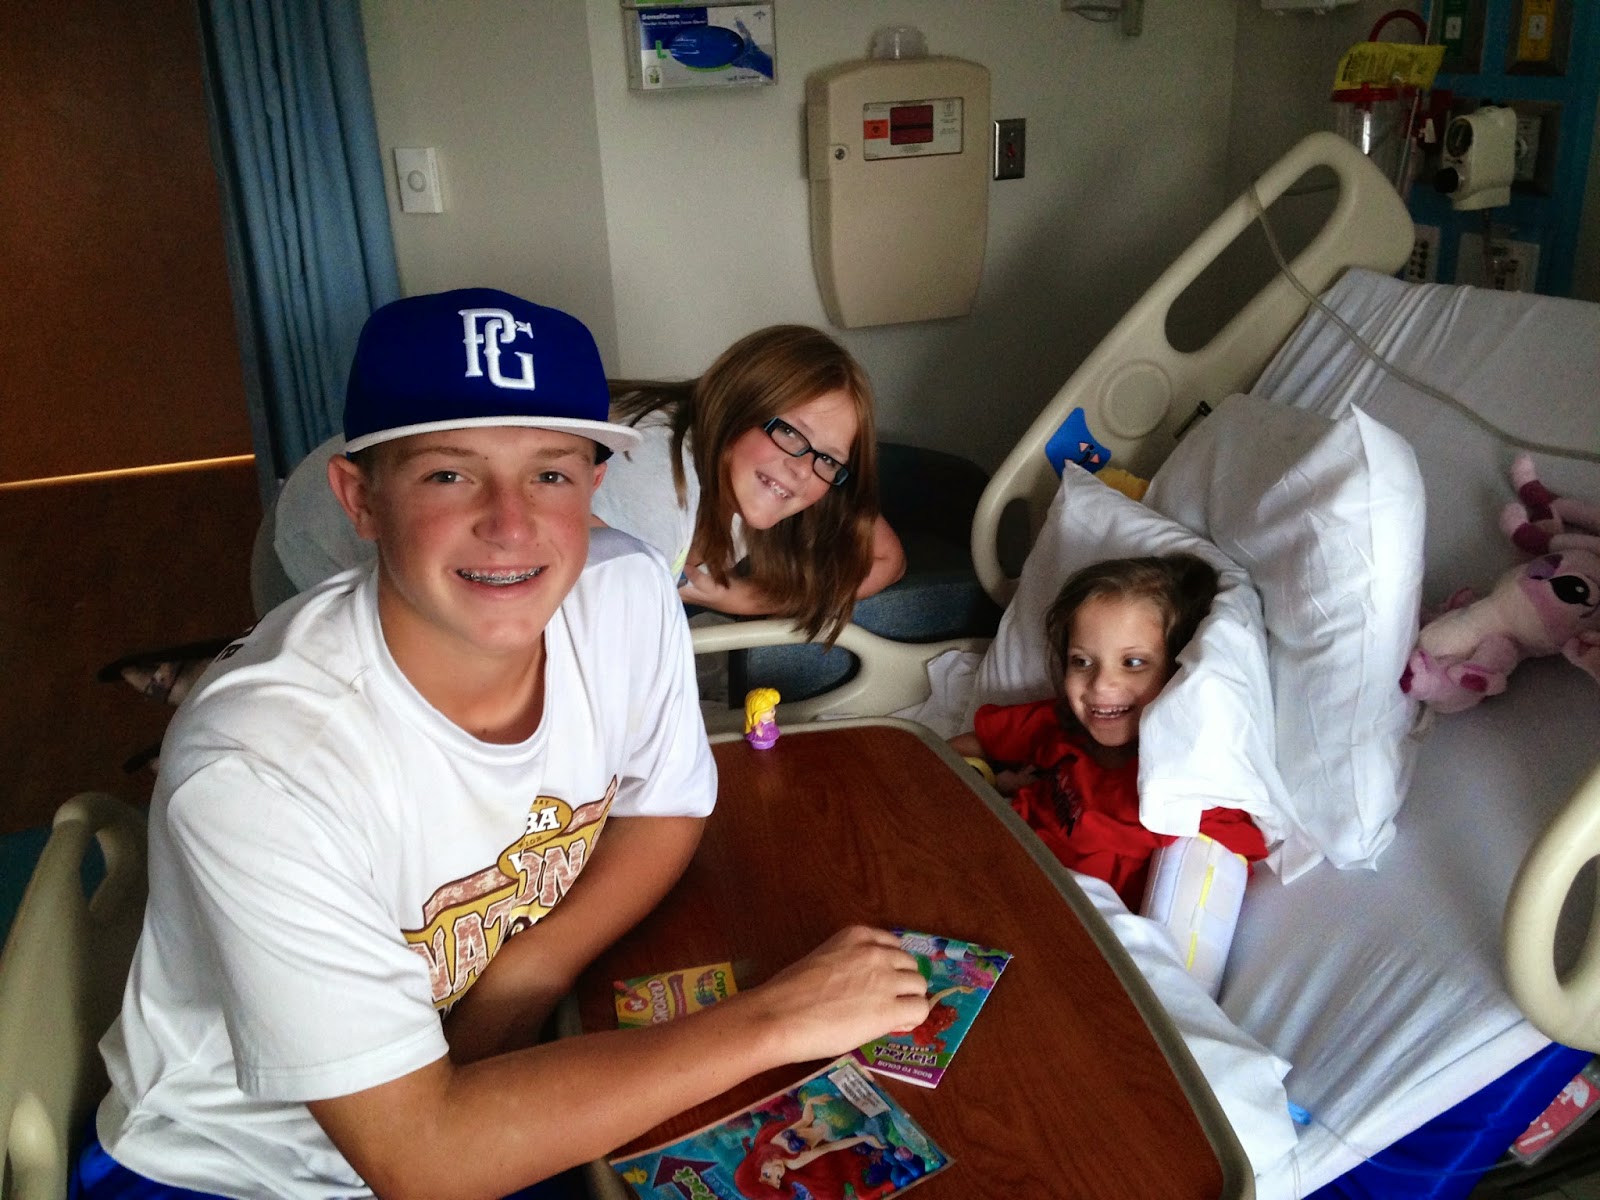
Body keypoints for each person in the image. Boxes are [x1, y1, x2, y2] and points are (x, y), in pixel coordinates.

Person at [80, 288, 934, 1200]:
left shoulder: (627, 591)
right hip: (255, 1170)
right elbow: (423, 1159)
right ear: (361, 499)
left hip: (481, 1080)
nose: (512, 525)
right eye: (450, 475)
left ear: (594, 490)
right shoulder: (261, 770)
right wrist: (778, 1019)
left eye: (550, 475)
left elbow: (667, 806)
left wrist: (524, 979)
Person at [274, 324, 905, 641]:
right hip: (324, 534)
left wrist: (733, 598)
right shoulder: (656, 496)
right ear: (737, 403)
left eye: (829, 458)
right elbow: (561, 661)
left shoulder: (776, 472)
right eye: (790, 433)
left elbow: (885, 556)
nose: (802, 468)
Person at [949, 554, 1268, 910]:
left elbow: (1229, 861)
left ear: (1178, 670)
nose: (1100, 684)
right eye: (1082, 661)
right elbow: (958, 749)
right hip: (986, 868)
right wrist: (985, 782)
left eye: (1133, 663)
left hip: (1056, 913)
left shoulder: (1179, 793)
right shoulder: (1058, 724)